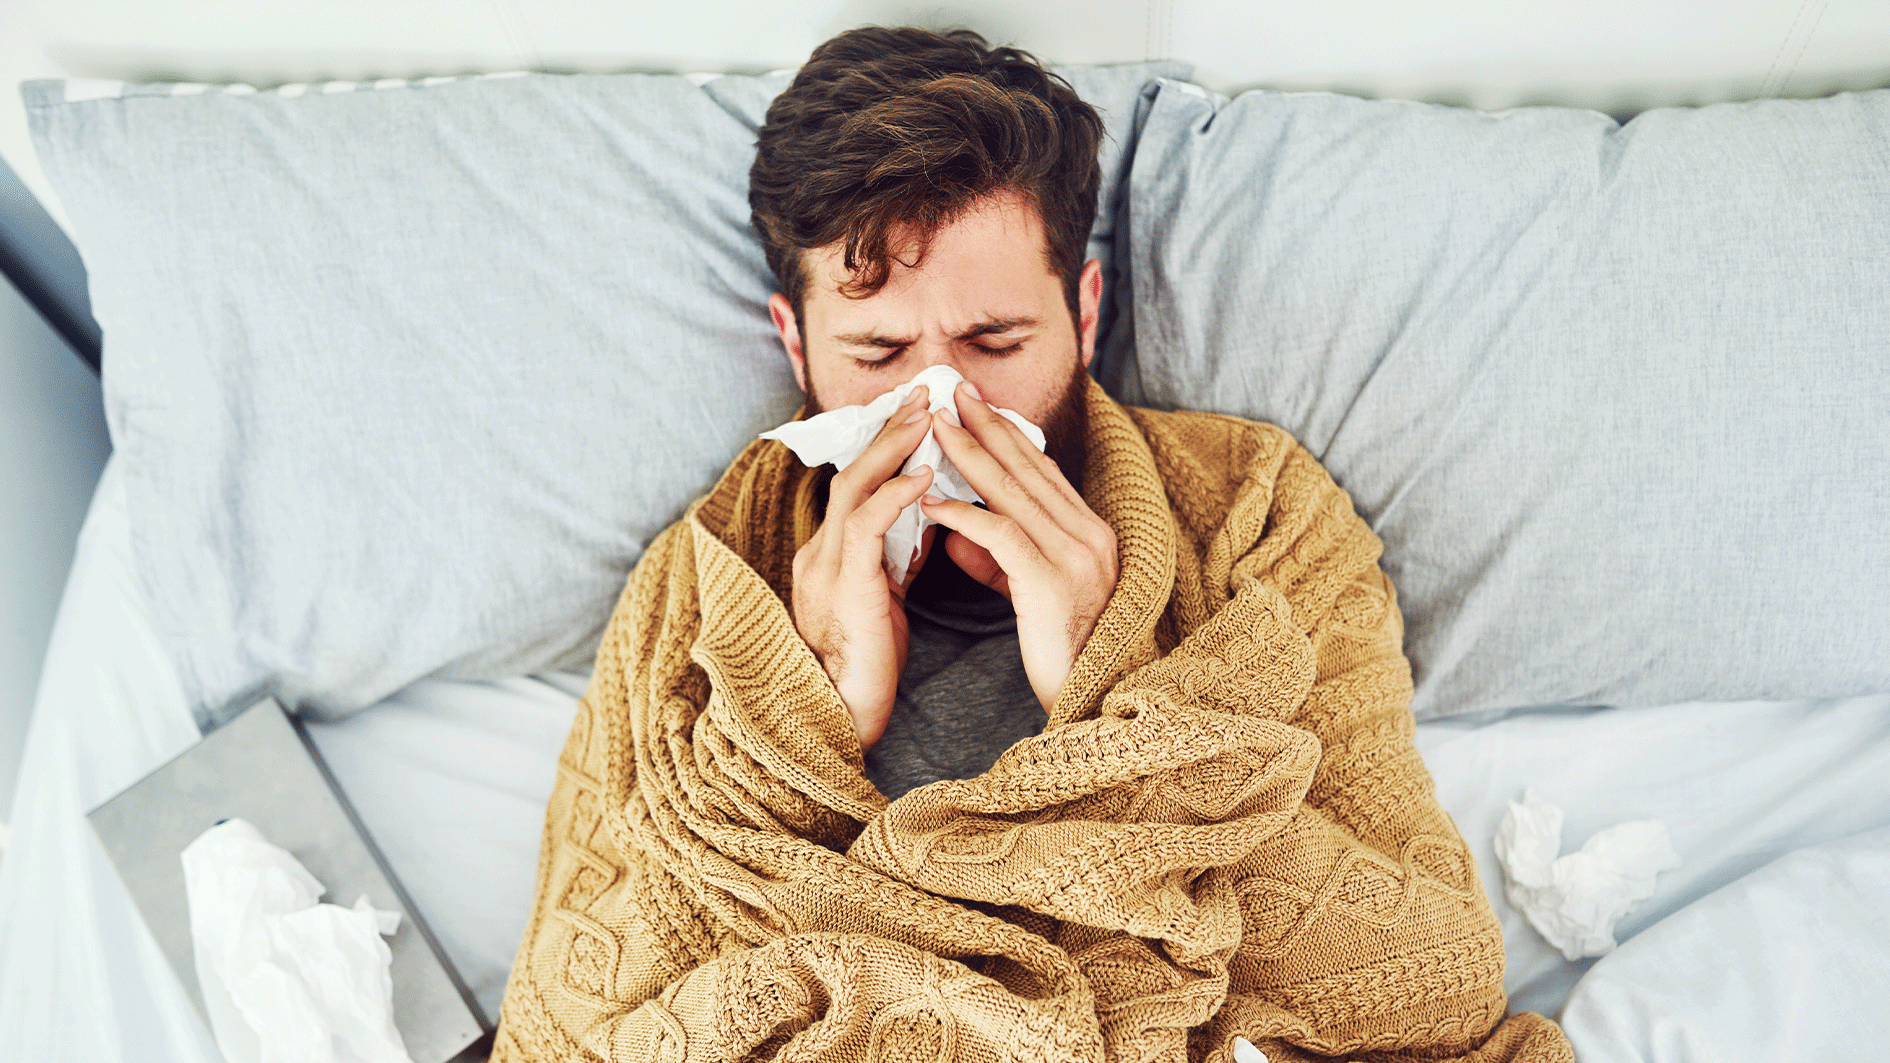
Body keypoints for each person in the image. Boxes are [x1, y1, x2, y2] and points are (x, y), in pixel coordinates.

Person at [494, 26, 1572, 1062]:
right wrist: (806, 720)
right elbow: (573, 1019)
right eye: (875, 352)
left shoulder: (1257, 513)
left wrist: (1112, 690)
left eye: (995, 341)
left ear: (1084, 311)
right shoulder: (703, 581)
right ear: (797, 343)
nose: (940, 401)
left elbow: (1427, 976)